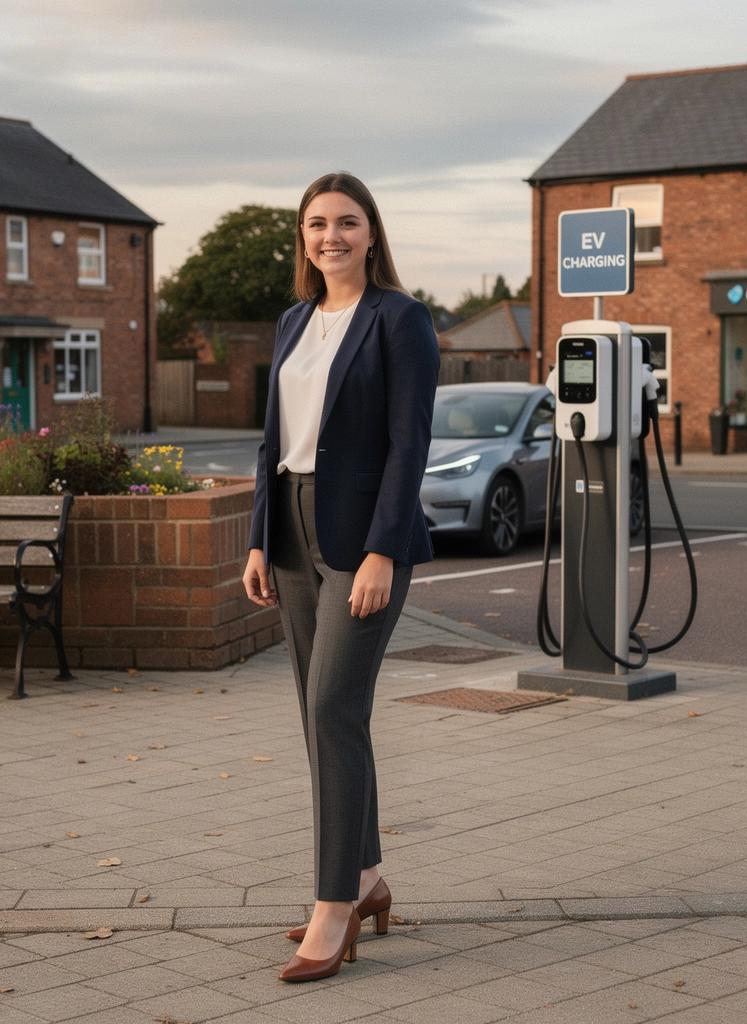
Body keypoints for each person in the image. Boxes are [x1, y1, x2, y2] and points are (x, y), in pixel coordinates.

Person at [242, 171, 440, 983]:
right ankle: (364, 877)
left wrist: (384, 552)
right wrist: (258, 538)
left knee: (334, 709)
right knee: (318, 715)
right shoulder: (293, 321)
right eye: (318, 223)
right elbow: (270, 441)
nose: (332, 236)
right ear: (304, 237)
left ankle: (334, 906)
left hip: (361, 539)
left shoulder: (400, 319)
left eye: (348, 223)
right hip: (290, 530)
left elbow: (409, 443)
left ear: (372, 233)